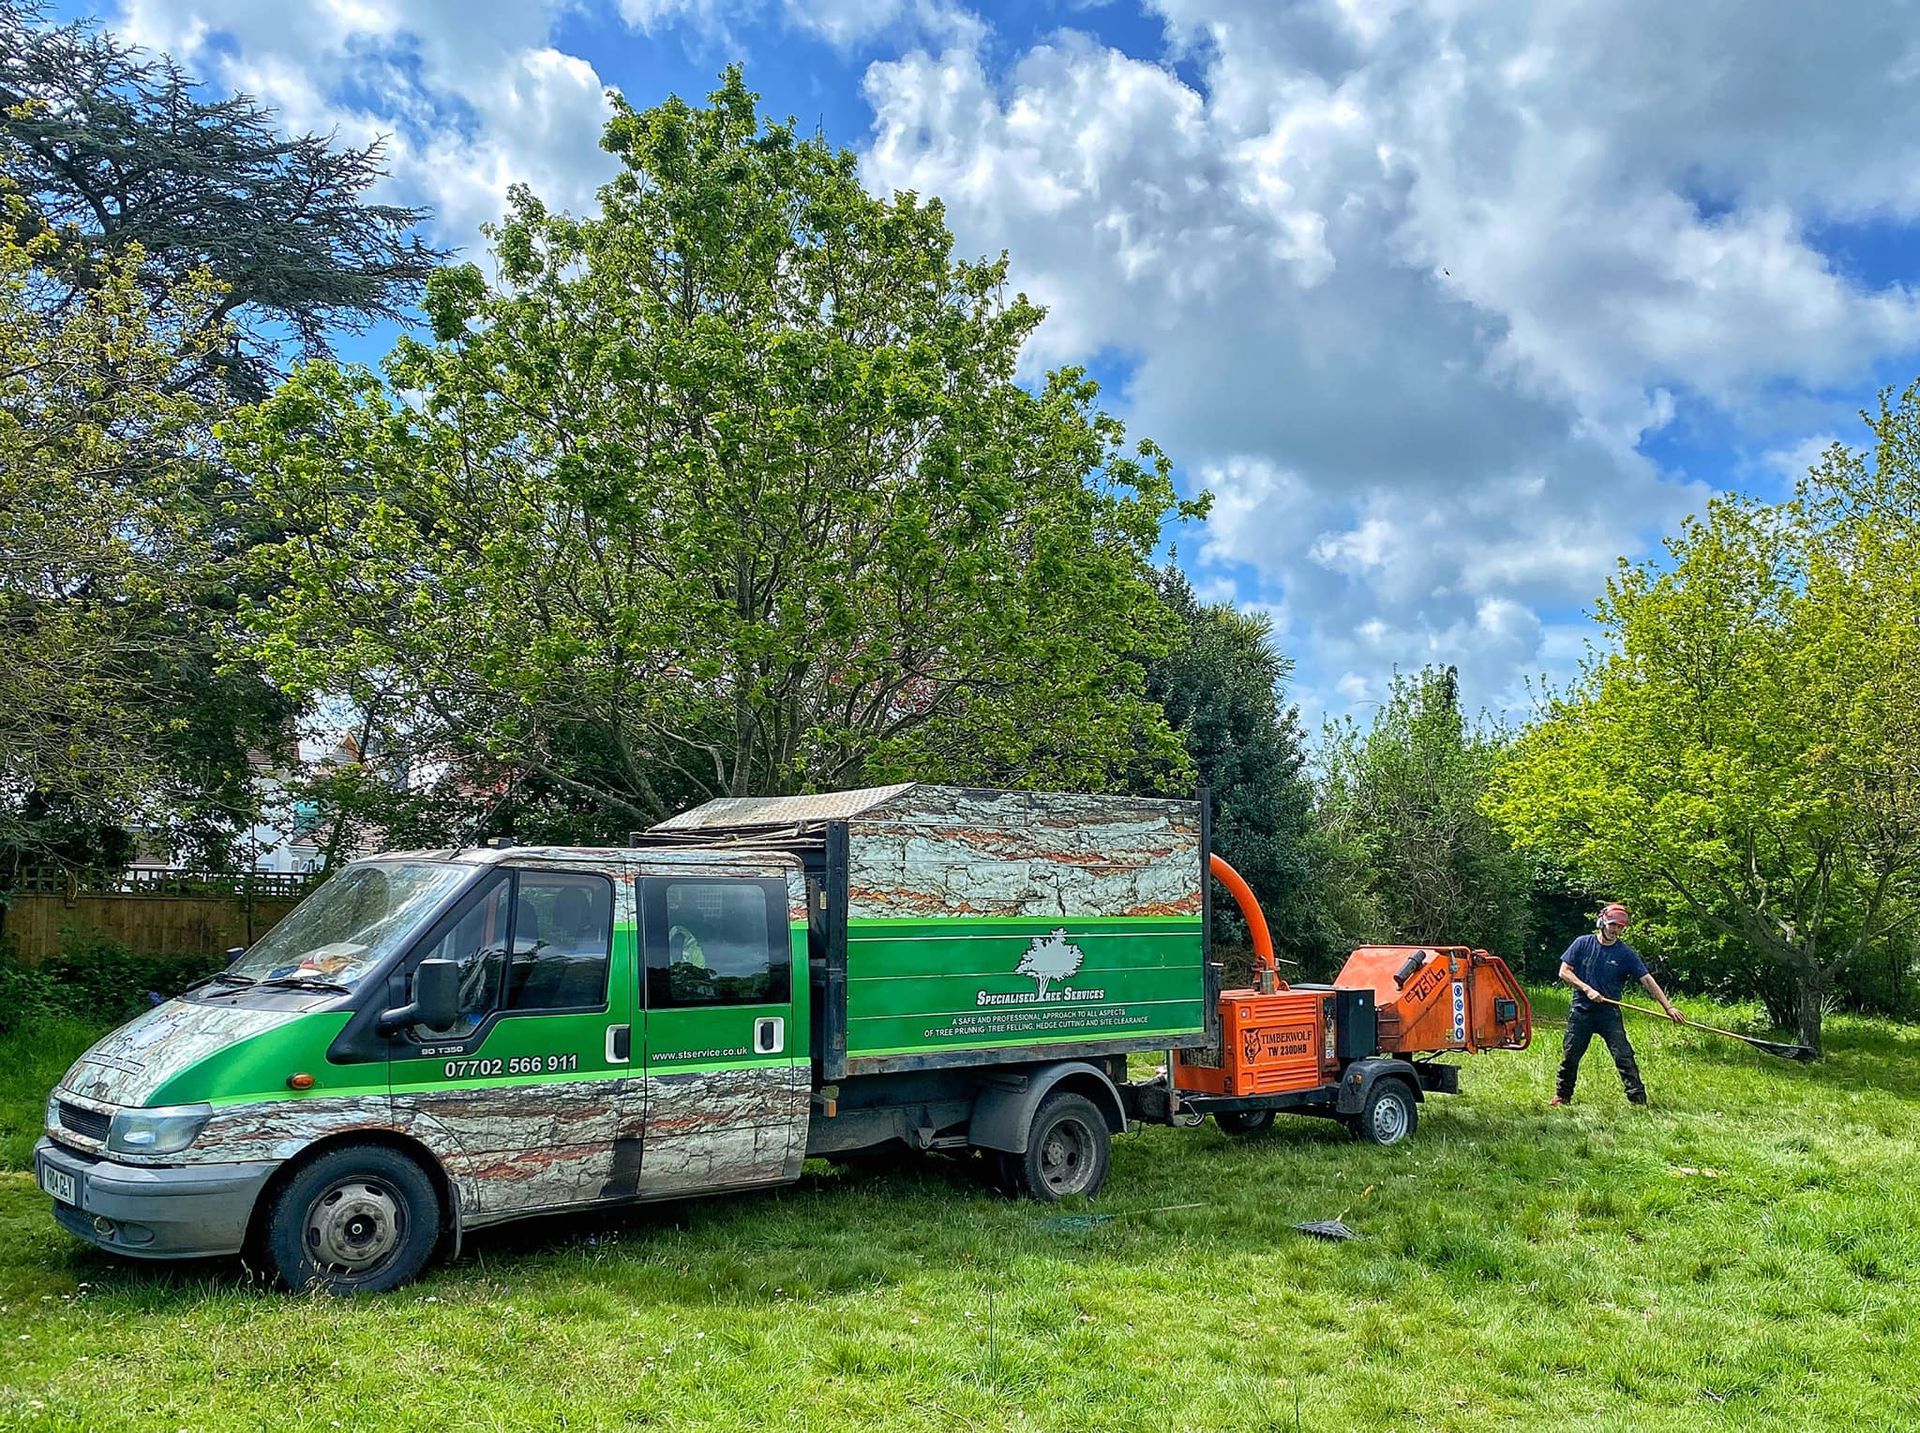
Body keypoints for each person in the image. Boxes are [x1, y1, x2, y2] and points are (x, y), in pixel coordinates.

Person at [1552, 902, 1683, 1106]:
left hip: (1608, 1013)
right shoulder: (1582, 943)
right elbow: (1564, 972)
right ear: (1603, 922)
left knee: (1624, 1056)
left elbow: (1647, 980)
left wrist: (1669, 1007)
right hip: (1581, 1012)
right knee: (1571, 1056)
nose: (1616, 930)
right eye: (1613, 925)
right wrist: (1587, 989)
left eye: (1621, 927)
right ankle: (1562, 1096)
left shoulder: (1625, 953)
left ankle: (1638, 1101)